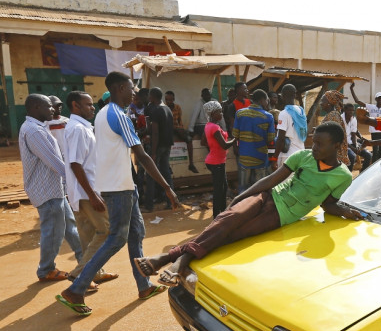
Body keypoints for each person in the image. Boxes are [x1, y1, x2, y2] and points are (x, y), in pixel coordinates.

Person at [134, 122, 362, 285]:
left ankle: (170, 258)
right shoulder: (302, 157)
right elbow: (271, 180)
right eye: (314, 143)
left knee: (232, 234)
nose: (314, 148)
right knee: (227, 220)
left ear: (337, 146)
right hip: (267, 197)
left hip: (280, 216)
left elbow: (328, 205)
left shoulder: (342, 176)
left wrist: (345, 212)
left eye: (320, 145)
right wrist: (240, 197)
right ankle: (176, 263)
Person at [55, 71, 180, 316]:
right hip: (118, 187)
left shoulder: (102, 114)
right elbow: (141, 155)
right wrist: (167, 187)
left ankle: (143, 285)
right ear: (121, 88)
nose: (134, 92)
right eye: (132, 88)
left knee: (136, 233)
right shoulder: (118, 115)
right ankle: (76, 289)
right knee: (117, 238)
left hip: (122, 184)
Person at [19, 94, 83, 283]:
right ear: (37, 107)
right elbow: (55, 162)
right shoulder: (34, 131)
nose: (53, 110)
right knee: (53, 232)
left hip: (54, 189)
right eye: (49, 107)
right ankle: (46, 269)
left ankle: (85, 261)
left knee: (70, 227)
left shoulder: (37, 127)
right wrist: (77, 182)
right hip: (46, 191)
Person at [63, 91, 118, 285]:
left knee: (88, 235)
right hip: (86, 191)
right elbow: (75, 164)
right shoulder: (78, 129)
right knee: (106, 231)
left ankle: (96, 273)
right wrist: (93, 194)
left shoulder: (78, 127)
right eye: (87, 104)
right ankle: (79, 274)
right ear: (75, 106)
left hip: (79, 191)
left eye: (91, 104)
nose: (92, 107)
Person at [233, 89, 275, 193]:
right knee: (260, 188)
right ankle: (258, 207)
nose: (267, 103)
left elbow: (235, 135)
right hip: (260, 158)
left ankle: (242, 207)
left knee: (243, 188)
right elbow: (270, 139)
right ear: (262, 100)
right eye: (267, 100)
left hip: (244, 157)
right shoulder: (268, 116)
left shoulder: (239, 114)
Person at [143, 87, 175, 212]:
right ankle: (171, 202)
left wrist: (154, 152)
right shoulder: (167, 108)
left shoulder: (156, 111)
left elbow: (154, 133)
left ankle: (149, 205)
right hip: (167, 145)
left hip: (158, 145)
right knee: (166, 172)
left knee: (151, 174)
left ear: (152, 96)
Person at [203, 101, 236, 217]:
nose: (222, 114)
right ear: (212, 113)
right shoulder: (215, 128)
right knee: (219, 190)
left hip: (217, 161)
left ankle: (222, 212)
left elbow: (205, 142)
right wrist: (236, 139)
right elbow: (225, 145)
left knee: (223, 187)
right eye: (219, 112)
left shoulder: (209, 126)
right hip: (216, 162)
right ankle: (217, 215)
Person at [349, 83, 381, 162]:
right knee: (375, 151)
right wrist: (351, 89)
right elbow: (357, 101)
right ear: (376, 99)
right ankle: (374, 166)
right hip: (374, 131)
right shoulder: (371, 107)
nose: (380, 100)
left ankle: (380, 165)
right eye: (378, 98)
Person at [274, 84, 306, 168]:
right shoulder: (301, 112)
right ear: (295, 95)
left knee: (285, 181)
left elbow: (280, 138)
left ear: (282, 96)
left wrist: (274, 158)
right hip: (300, 153)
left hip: (288, 156)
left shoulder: (284, 113)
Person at [165, 90, 198, 173]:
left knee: (189, 139)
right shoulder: (164, 108)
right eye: (167, 99)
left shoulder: (177, 107)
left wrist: (181, 129)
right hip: (168, 129)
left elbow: (180, 121)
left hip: (177, 128)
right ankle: (167, 166)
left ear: (173, 99)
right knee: (167, 143)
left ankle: (191, 164)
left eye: (170, 99)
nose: (168, 101)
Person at [320, 90, 350, 166]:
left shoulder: (333, 116)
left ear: (329, 103)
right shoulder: (331, 115)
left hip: (333, 156)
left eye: (322, 101)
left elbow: (332, 136)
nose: (320, 103)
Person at [343, 103, 371, 172]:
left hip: (351, 142)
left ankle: (362, 173)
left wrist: (356, 146)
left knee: (368, 155)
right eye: (349, 110)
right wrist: (353, 148)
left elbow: (353, 134)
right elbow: (341, 138)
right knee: (352, 156)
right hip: (342, 144)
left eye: (353, 111)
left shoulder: (353, 119)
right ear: (345, 110)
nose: (351, 112)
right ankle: (348, 176)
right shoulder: (340, 119)